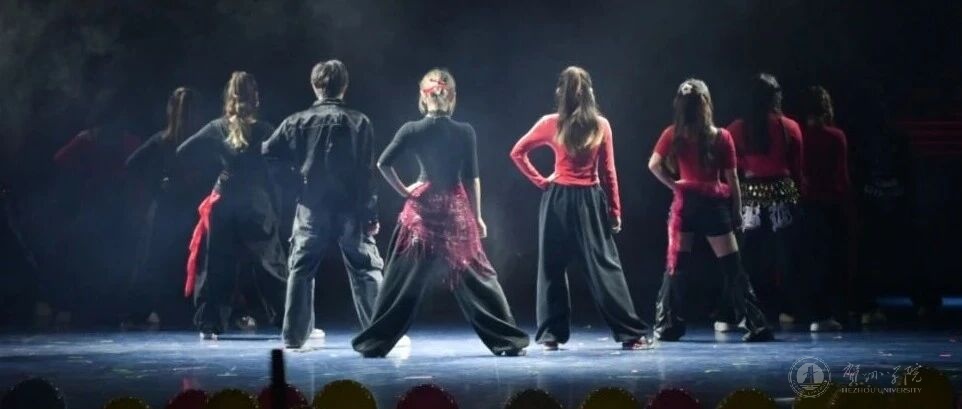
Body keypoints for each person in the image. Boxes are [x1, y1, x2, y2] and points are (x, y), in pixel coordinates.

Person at [352, 68, 530, 357]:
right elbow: (472, 178)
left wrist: (405, 191)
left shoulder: (412, 129)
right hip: (454, 211)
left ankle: (374, 343)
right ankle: (509, 340)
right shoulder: (465, 131)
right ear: (452, 97)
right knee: (479, 277)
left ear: (423, 98)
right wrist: (477, 216)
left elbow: (384, 163)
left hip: (421, 212)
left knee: (400, 280)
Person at [509, 66, 650, 351]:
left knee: (551, 267)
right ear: (590, 94)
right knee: (604, 266)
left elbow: (517, 152)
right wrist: (615, 211)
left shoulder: (551, 123)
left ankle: (550, 336)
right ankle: (631, 335)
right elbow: (609, 172)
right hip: (589, 200)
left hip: (558, 200)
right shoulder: (600, 125)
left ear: (560, 93)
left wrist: (542, 182)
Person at [262, 60, 395, 349]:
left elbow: (269, 153)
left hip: (311, 206)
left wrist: (294, 184)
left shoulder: (296, 121)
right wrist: (370, 213)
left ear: (314, 86)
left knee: (301, 268)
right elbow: (366, 173)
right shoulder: (360, 122)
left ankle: (295, 336)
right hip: (350, 207)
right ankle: (380, 334)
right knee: (366, 268)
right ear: (345, 86)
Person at [648, 79, 774, 342]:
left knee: (677, 265)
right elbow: (732, 178)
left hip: (686, 203)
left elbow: (654, 165)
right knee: (732, 267)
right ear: (706, 104)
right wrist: (737, 210)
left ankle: (667, 324)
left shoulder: (673, 133)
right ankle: (756, 325)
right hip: (713, 205)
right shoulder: (721, 136)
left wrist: (675, 185)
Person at [177, 71, 288, 339]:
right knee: (270, 265)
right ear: (255, 97)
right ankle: (290, 320)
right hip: (255, 202)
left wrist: (217, 167)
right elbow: (282, 164)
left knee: (217, 264)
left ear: (229, 97)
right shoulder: (264, 130)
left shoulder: (217, 127)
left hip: (224, 199)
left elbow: (183, 151)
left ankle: (210, 325)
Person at [724, 73, 804, 329]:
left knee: (746, 258)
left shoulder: (736, 129)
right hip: (783, 195)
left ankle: (741, 311)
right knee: (786, 256)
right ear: (775, 97)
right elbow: (797, 169)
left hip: (751, 198)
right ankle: (788, 310)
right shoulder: (789, 127)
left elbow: (729, 167)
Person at [123, 87, 203, 329]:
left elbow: (132, 164)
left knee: (159, 261)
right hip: (181, 210)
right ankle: (177, 309)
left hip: (171, 209)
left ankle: (148, 310)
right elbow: (132, 164)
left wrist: (156, 185)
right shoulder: (193, 141)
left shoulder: (164, 140)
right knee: (178, 261)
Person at [798, 86, 849, 332]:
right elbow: (842, 176)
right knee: (831, 260)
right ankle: (828, 313)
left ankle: (808, 311)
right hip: (831, 204)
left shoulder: (799, 136)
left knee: (809, 259)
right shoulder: (836, 136)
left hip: (806, 204)